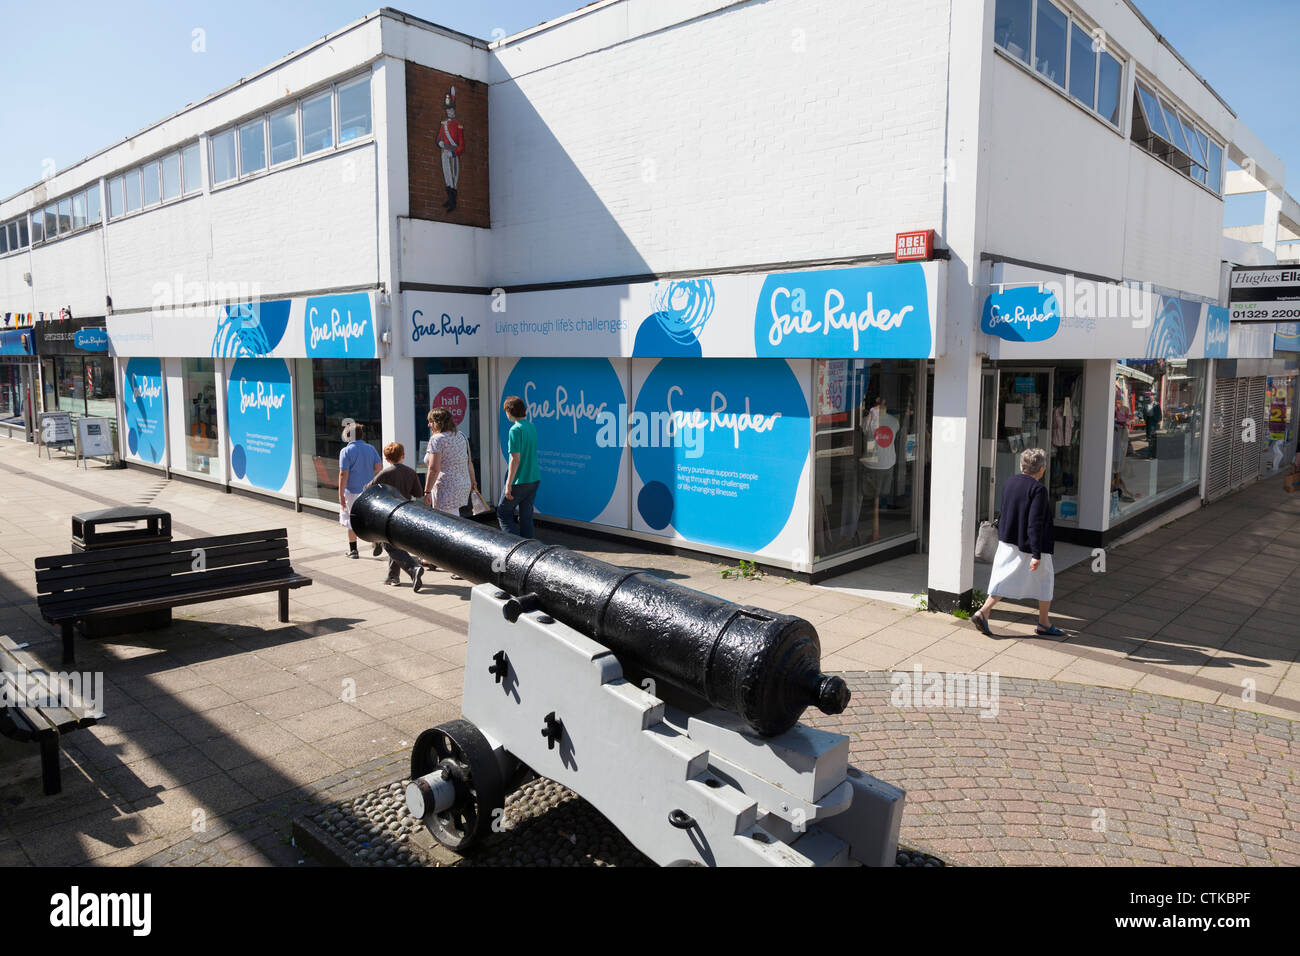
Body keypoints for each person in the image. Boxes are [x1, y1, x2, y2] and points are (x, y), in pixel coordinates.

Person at [971, 447, 1064, 638]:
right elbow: (1035, 522)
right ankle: (1044, 623)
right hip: (1030, 545)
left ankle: (984, 611)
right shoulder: (1038, 489)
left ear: (1022, 465)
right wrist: (1037, 554)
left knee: (1004, 577)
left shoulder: (1010, 482)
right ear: (1041, 469)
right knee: (1046, 580)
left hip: (1007, 540)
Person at [367, 442, 425, 590]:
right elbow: (418, 494)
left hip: (388, 513)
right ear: (403, 456)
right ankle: (393, 576)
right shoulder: (411, 472)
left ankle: (413, 567)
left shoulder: (385, 473)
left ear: (386, 458)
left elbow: (369, 488)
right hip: (405, 511)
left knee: (389, 544)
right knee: (395, 543)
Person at [498, 394, 540, 538]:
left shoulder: (515, 430)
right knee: (526, 517)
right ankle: (529, 550)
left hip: (519, 480)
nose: (506, 414)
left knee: (503, 513)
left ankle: (514, 547)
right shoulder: (531, 426)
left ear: (509, 411)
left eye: (506, 411)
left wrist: (508, 484)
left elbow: (515, 459)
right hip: (533, 478)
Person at [338, 422, 382, 558]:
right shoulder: (370, 448)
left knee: (351, 519)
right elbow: (379, 467)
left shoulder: (345, 451)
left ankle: (353, 550)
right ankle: (376, 541)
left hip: (352, 491)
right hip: (368, 490)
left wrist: (340, 494)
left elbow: (343, 474)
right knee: (369, 517)